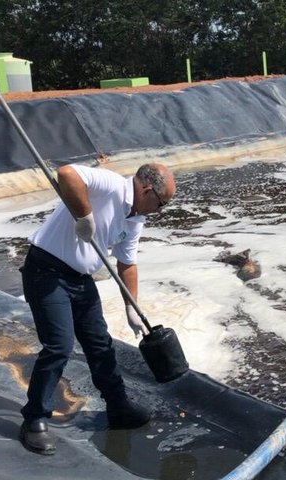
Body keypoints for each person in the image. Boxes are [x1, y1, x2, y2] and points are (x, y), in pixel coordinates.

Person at [18, 162, 176, 455]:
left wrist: (132, 307)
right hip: (47, 272)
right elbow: (67, 174)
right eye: (161, 203)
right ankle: (34, 419)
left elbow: (127, 264)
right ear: (147, 190)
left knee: (100, 344)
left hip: (80, 279)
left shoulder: (135, 219)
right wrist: (85, 215)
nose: (160, 211)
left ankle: (118, 407)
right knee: (59, 346)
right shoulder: (112, 185)